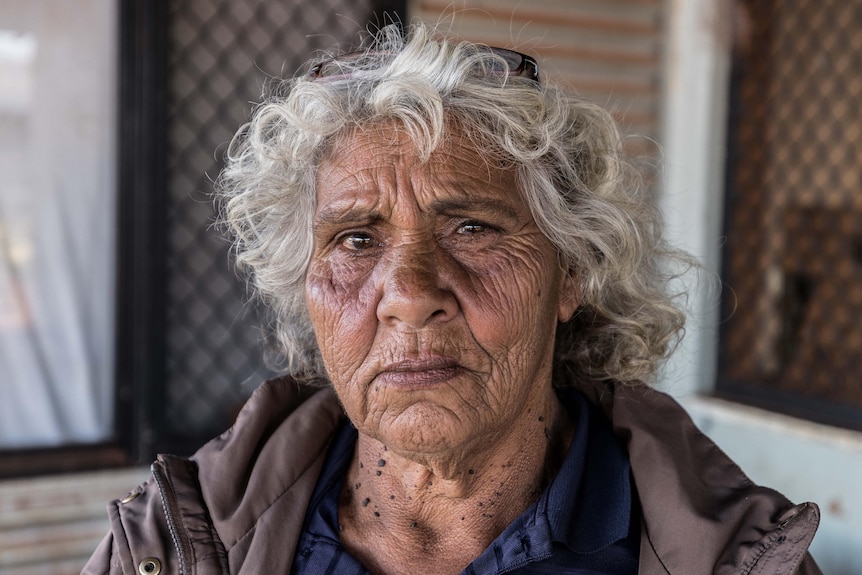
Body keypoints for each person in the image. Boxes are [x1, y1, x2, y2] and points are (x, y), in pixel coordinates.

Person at [83, 23, 821, 575]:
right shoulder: (172, 542)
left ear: (570, 273)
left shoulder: (733, 555)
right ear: (305, 286)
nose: (408, 296)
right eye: (354, 239)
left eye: (471, 227)